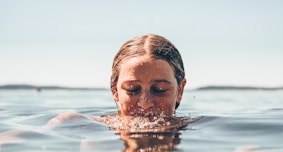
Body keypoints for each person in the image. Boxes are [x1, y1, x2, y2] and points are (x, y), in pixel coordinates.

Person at [48, 34, 188, 131]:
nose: (145, 103)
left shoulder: (199, 127)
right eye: (132, 89)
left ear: (180, 91)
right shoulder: (75, 123)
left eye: (159, 89)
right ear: (115, 91)